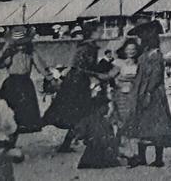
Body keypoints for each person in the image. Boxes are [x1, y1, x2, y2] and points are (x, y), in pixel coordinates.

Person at [123, 20, 171, 168]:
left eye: (142, 37)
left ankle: (158, 158)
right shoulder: (145, 54)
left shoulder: (155, 55)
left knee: (156, 126)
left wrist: (147, 92)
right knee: (143, 124)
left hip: (153, 93)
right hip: (143, 92)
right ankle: (142, 157)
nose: (140, 40)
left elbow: (156, 76)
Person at [44, 22, 102, 153]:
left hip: (75, 81)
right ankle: (73, 141)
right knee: (78, 112)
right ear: (92, 33)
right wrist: (98, 74)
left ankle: (70, 142)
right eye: (99, 31)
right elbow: (82, 68)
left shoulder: (85, 47)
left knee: (75, 112)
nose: (101, 33)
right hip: (78, 83)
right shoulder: (88, 48)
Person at [0, 25, 47, 140]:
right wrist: (4, 50)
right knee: (10, 113)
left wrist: (50, 78)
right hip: (12, 84)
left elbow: (41, 67)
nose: (21, 47)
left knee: (24, 115)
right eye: (18, 44)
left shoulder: (31, 54)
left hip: (24, 83)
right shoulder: (9, 56)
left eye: (23, 44)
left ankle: (16, 136)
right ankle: (10, 137)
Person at [108, 38, 140, 159]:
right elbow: (110, 76)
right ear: (124, 50)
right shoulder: (119, 63)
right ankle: (124, 151)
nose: (131, 52)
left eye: (133, 49)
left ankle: (128, 150)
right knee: (122, 121)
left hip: (135, 95)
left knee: (132, 122)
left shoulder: (139, 64)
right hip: (121, 95)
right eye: (128, 49)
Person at [73, 93, 120, 169]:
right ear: (98, 108)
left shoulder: (105, 121)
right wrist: (78, 136)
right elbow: (80, 130)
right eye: (105, 106)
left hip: (103, 149)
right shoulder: (90, 120)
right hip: (94, 148)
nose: (108, 108)